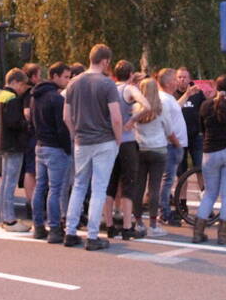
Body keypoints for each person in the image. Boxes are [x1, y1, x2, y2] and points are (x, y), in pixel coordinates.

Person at [62, 45, 122, 251]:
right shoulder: (107, 84)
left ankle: (70, 232)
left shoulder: (73, 83)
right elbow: (115, 117)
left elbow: (66, 116)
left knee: (78, 186)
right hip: (104, 141)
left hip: (82, 141)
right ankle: (93, 236)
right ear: (105, 61)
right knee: (98, 189)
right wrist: (118, 139)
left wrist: (74, 134)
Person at [193, 75, 226, 245]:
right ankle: (222, 236)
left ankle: (198, 232)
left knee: (209, 194)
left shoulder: (205, 105)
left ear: (216, 87)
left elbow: (201, 127)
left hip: (211, 152)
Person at [103, 60, 149, 240]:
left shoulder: (109, 88)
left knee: (110, 184)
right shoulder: (129, 89)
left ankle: (109, 225)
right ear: (131, 75)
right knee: (129, 184)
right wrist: (133, 119)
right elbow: (147, 105)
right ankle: (127, 226)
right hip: (127, 141)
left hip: (110, 140)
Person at [29, 62, 72, 242]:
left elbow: (31, 122)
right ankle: (54, 228)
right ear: (54, 76)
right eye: (65, 77)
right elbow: (62, 128)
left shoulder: (35, 96)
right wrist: (67, 148)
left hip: (40, 145)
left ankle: (38, 226)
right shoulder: (56, 98)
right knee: (55, 189)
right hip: (55, 147)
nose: (68, 81)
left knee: (40, 187)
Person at [130, 77, 179, 237]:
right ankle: (153, 224)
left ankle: (138, 222)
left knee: (139, 186)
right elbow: (169, 129)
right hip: (158, 149)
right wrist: (177, 144)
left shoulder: (136, 108)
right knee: (154, 188)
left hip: (140, 149)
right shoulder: (161, 108)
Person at [0, 68, 31, 233]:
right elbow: (15, 123)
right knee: (11, 182)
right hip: (14, 144)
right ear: (15, 82)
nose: (23, 89)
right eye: (22, 85)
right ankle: (10, 220)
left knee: (5, 181)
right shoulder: (13, 99)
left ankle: (4, 217)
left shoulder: (0, 97)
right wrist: (27, 124)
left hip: (2, 142)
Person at [157, 68, 188, 226]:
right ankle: (164, 212)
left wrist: (187, 95)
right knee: (167, 180)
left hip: (174, 144)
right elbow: (166, 125)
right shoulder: (164, 99)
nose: (178, 81)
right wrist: (176, 142)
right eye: (175, 79)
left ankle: (165, 210)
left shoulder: (168, 99)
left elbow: (175, 109)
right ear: (169, 82)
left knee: (168, 179)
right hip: (170, 145)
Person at [20, 62, 42, 220]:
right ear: (34, 77)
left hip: (27, 135)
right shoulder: (30, 93)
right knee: (31, 170)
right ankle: (31, 203)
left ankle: (31, 202)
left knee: (31, 170)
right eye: (39, 75)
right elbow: (27, 112)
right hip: (31, 135)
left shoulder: (23, 92)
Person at [175, 67, 205, 175]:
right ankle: (181, 192)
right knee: (181, 172)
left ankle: (203, 191)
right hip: (178, 138)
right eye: (179, 77)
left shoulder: (197, 93)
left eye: (184, 77)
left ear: (189, 79)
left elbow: (204, 112)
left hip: (196, 136)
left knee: (200, 169)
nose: (182, 79)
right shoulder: (172, 94)